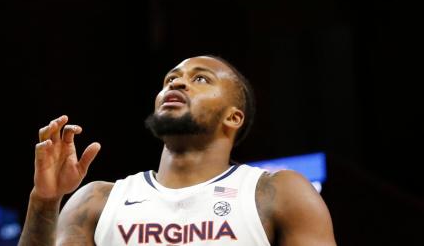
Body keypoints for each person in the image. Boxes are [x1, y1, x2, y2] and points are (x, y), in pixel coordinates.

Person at [18, 55, 336, 245]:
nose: (177, 84)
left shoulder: (278, 192)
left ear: (233, 117)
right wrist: (45, 202)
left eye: (200, 79)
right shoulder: (98, 200)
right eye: (171, 78)